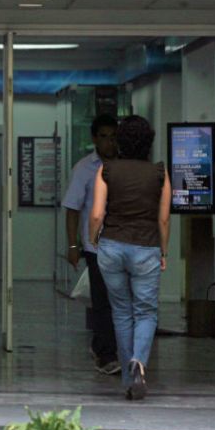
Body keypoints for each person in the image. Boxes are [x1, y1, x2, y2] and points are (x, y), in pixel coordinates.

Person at [88, 115, 171, 401]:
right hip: (146, 248)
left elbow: (97, 213)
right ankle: (139, 363)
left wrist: (94, 238)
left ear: (121, 141)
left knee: (121, 311)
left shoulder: (106, 170)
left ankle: (127, 377)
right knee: (146, 311)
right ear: (148, 142)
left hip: (112, 247)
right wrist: (163, 251)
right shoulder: (160, 173)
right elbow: (162, 220)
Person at [61, 114, 121, 376]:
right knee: (102, 301)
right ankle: (106, 355)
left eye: (113, 137)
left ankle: (103, 346)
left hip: (123, 243)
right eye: (104, 137)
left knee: (118, 301)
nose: (110, 143)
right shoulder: (84, 169)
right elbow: (72, 209)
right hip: (95, 246)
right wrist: (73, 246)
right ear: (95, 139)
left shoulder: (125, 166)